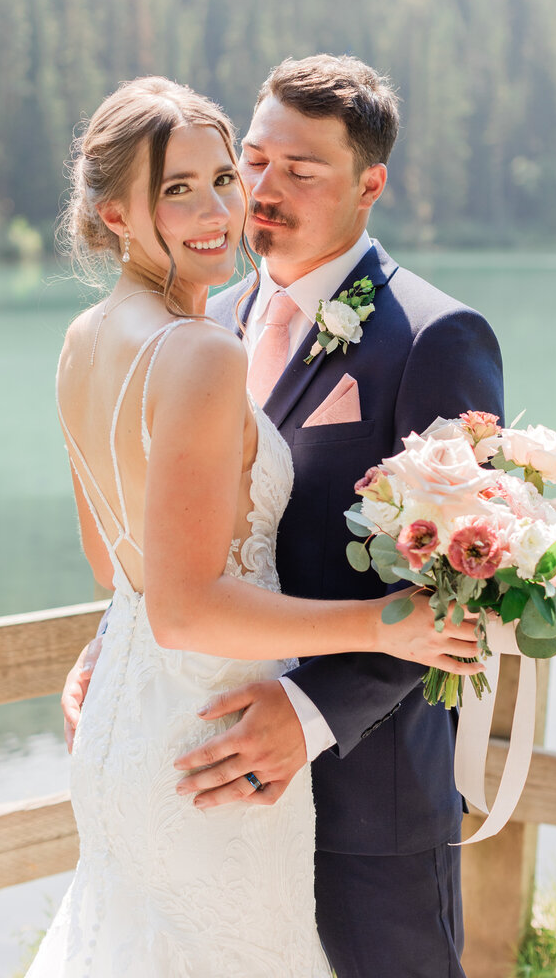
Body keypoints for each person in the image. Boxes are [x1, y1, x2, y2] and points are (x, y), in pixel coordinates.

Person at [30, 74, 483, 978]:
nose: (254, 196)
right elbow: (154, 584)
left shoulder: (435, 338)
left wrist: (309, 710)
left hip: (354, 792)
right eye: (256, 161)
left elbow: (455, 578)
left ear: (369, 184)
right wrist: (115, 642)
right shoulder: (207, 323)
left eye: (295, 172)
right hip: (200, 746)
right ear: (116, 213)